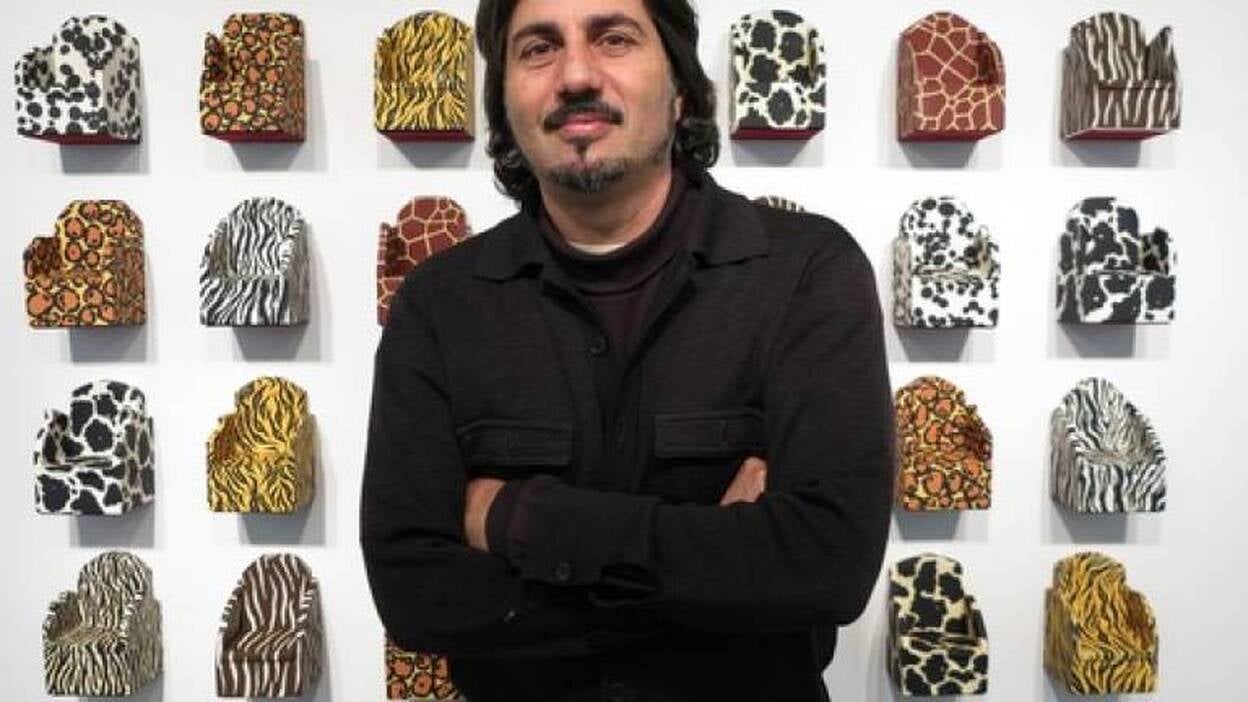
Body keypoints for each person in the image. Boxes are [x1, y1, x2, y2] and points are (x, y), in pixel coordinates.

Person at [360, 1, 894, 700]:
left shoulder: (806, 274)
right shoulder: (439, 304)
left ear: (680, 89)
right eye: (538, 49)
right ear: (504, 104)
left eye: (613, 38)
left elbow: (827, 567)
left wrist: (515, 518)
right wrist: (716, 565)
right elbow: (414, 594)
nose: (576, 75)